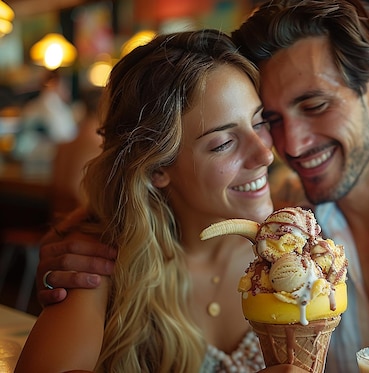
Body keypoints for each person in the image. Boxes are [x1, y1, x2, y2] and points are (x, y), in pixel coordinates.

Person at [36, 1, 369, 372]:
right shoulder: (285, 222)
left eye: (314, 105)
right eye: (271, 116)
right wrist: (90, 247)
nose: (282, 146)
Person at [16, 30, 305, 373]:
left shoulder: (300, 242)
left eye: (259, 122)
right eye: (223, 143)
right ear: (157, 169)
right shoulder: (99, 260)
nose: (264, 154)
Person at [50, 88, 103, 217]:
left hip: (57, 223)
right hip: (79, 226)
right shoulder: (99, 145)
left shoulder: (65, 144)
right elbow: (83, 201)